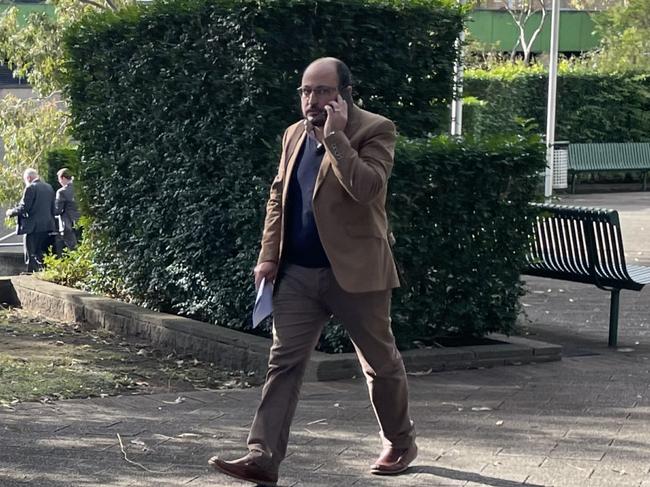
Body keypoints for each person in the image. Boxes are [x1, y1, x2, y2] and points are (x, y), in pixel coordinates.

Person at [209, 57, 416, 487]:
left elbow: (367, 189)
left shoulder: (375, 129)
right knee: (283, 363)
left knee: (380, 363)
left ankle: (399, 440)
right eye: (306, 91)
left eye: (322, 91)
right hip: (298, 273)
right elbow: (278, 196)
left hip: (357, 272)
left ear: (344, 93)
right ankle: (262, 458)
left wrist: (337, 138)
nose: (312, 100)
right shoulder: (293, 134)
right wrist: (268, 255)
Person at [6, 168, 56, 272]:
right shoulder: (49, 187)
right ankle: (44, 272)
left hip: (33, 227)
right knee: (40, 253)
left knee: (30, 253)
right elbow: (53, 208)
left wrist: (11, 212)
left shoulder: (30, 188)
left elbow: (24, 207)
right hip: (47, 226)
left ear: (28, 178)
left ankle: (30, 274)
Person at [54, 167, 81, 253]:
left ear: (63, 178)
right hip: (81, 222)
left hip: (68, 224)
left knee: (72, 250)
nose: (60, 182)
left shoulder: (62, 191)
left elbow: (57, 210)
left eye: (59, 180)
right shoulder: (80, 188)